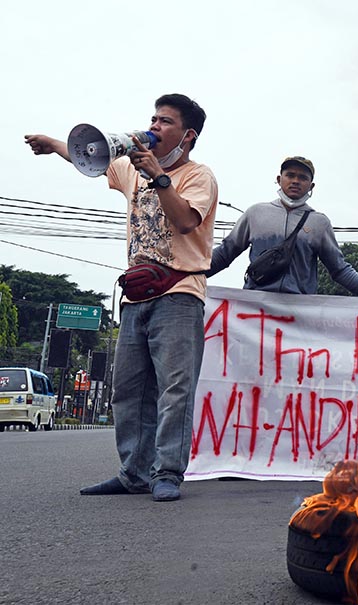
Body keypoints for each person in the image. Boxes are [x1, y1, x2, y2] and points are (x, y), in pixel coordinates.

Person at [25, 93, 218, 502]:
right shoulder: (131, 169)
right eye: (153, 118)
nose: (154, 125)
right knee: (127, 390)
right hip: (136, 295)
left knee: (175, 388)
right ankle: (134, 472)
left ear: (187, 136)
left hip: (180, 293)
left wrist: (158, 176)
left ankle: (167, 472)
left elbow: (185, 221)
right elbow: (91, 156)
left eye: (165, 121)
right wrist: (54, 144)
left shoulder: (199, 177)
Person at [207, 156, 358, 300]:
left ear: (311, 185)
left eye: (302, 177)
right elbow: (225, 253)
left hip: (299, 313)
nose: (295, 181)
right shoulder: (255, 213)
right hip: (255, 307)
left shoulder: (319, 223)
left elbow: (339, 270)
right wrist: (187, 274)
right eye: (290, 175)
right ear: (279, 178)